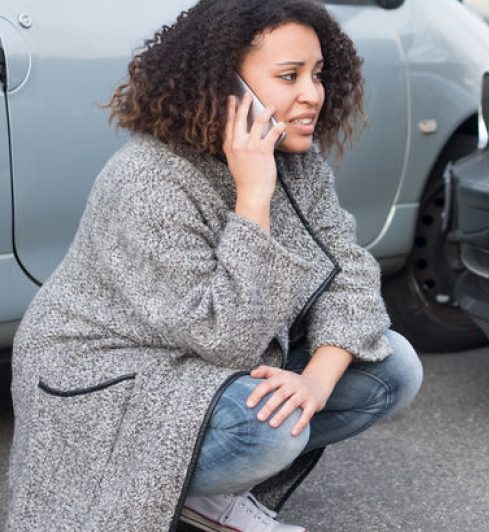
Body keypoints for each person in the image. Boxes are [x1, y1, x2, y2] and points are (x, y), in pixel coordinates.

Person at [6, 1, 422, 530]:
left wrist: (316, 382)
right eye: (288, 76)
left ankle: (215, 504)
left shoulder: (299, 163)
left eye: (318, 74)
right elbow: (228, 339)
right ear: (223, 84)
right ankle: (183, 496)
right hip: (111, 377)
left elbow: (351, 270)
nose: (313, 94)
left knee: (392, 368)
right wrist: (253, 198)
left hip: (196, 360)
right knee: (267, 430)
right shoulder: (147, 180)